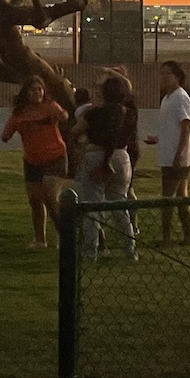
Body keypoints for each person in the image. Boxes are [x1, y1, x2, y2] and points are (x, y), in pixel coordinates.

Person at [0, 76, 70, 248]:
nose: (37, 92)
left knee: (51, 196)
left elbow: (63, 115)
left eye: (40, 89)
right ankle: (40, 239)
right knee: (35, 200)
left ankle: (64, 236)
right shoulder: (19, 115)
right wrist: (8, 133)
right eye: (33, 90)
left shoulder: (50, 107)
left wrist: (62, 115)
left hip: (55, 157)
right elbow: (6, 135)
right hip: (32, 161)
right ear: (26, 93)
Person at [75, 75, 138, 261]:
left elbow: (75, 131)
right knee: (119, 206)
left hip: (97, 157)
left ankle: (90, 252)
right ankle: (130, 249)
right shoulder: (130, 114)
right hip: (122, 158)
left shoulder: (94, 114)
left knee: (92, 208)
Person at [146, 60, 190, 247]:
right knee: (181, 197)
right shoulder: (167, 99)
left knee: (168, 197)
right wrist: (159, 139)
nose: (164, 78)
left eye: (168, 74)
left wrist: (179, 154)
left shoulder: (180, 98)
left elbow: (186, 127)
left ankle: (166, 237)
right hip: (168, 154)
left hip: (177, 157)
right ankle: (188, 236)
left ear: (177, 77)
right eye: (162, 74)